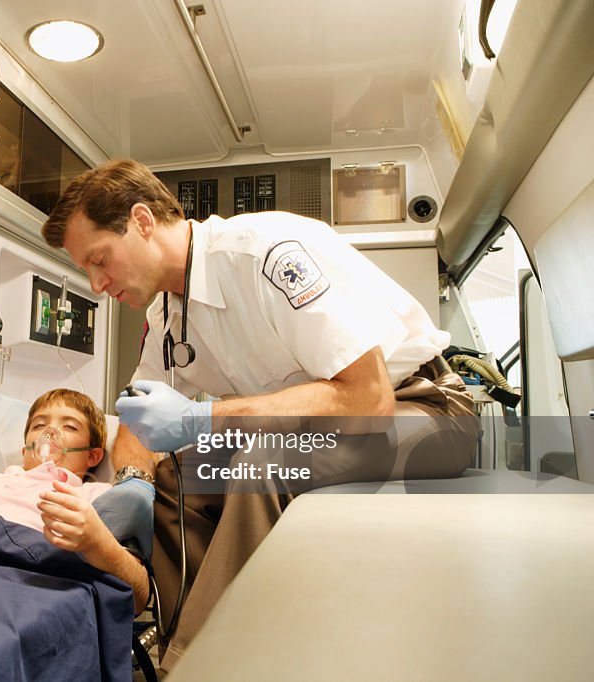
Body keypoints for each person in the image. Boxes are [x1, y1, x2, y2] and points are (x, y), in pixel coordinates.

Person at [41, 159, 480, 670]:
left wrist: (203, 420)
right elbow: (138, 417)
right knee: (175, 477)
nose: (96, 284)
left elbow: (368, 398)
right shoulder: (166, 313)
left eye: (99, 260)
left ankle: (206, 668)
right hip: (340, 421)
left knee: (264, 458)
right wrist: (134, 481)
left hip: (426, 406)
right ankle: (185, 642)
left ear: (141, 222)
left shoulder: (265, 255)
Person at [0, 388, 150, 613]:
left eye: (70, 426)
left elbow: (139, 595)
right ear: (25, 450)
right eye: (39, 425)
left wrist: (97, 542)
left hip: (5, 586)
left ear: (92, 456)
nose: (51, 431)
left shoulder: (95, 498)